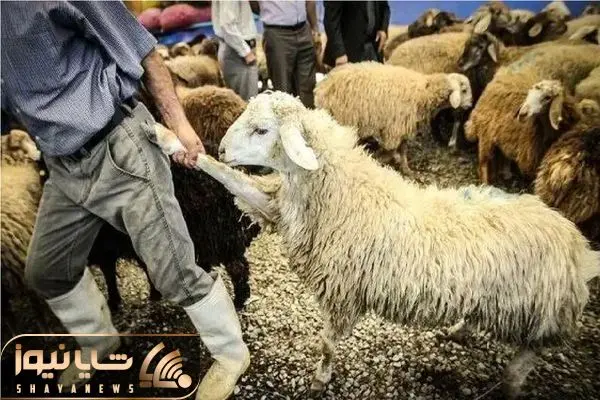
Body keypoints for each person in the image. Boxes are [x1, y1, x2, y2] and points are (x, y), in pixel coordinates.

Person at [0, 2, 248, 400]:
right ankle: (99, 343)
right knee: (47, 271)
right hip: (62, 166)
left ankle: (231, 354)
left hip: (118, 148)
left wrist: (180, 125)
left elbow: (142, 49)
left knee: (174, 272)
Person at [258, 0, 318, 108]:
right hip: (277, 32)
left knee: (308, 88)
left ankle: (307, 117)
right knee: (283, 90)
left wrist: (315, 27)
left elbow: (310, 1)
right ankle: (286, 118)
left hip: (304, 29)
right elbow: (253, 4)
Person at [212, 0, 258, 101]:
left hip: (237, 49)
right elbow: (227, 25)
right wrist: (246, 52)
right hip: (237, 52)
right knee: (247, 102)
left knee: (247, 101)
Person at [323, 1, 390, 67]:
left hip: (373, 49)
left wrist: (383, 28)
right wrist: (339, 53)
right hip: (347, 55)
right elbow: (331, 20)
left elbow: (385, 7)